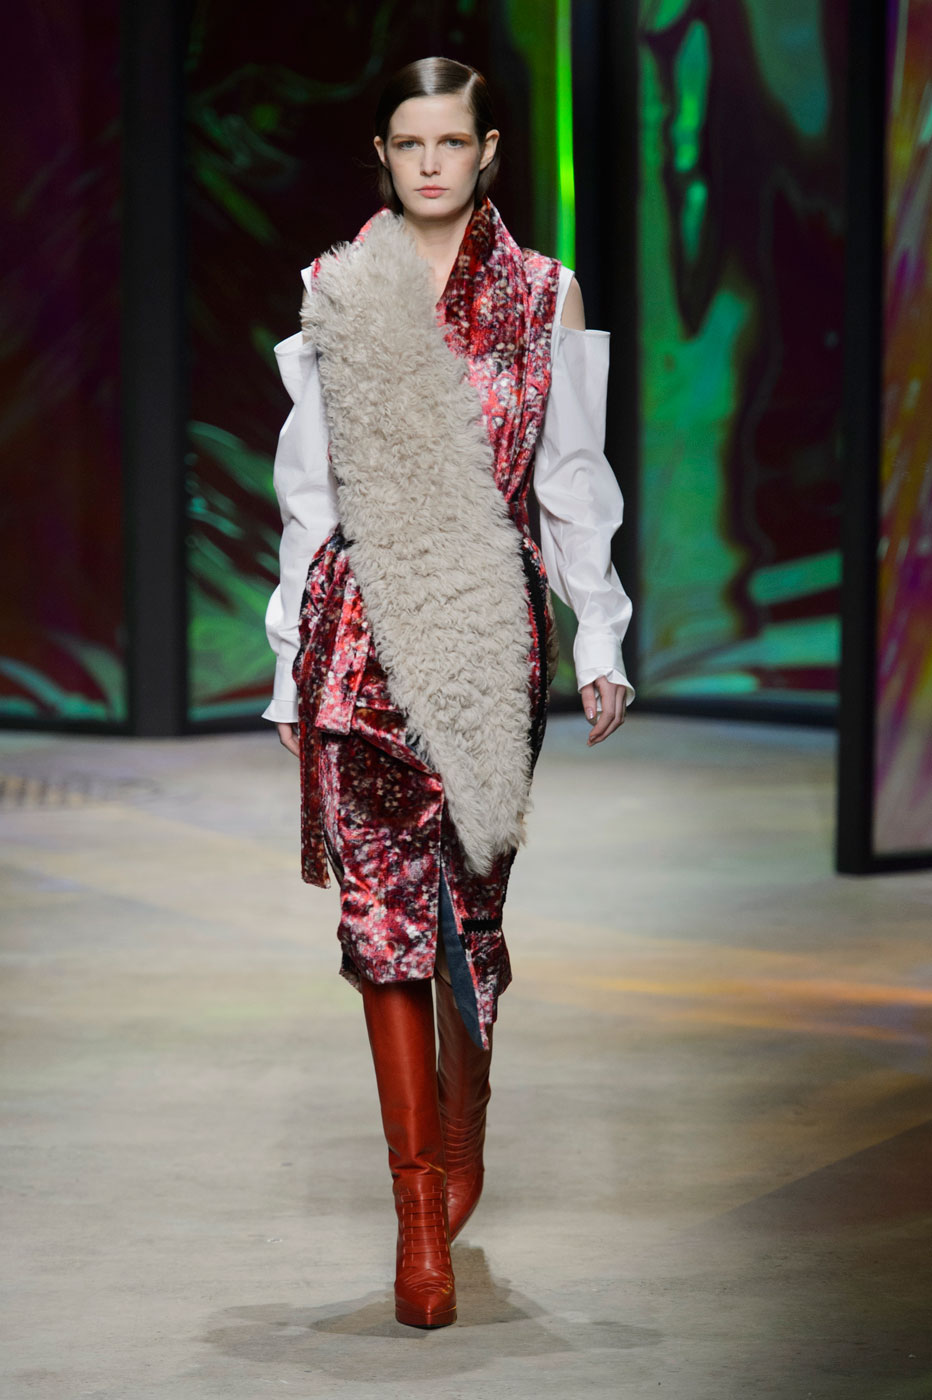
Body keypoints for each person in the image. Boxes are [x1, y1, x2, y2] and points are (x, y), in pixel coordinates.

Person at [262, 57, 633, 1330]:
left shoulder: (541, 292)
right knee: (380, 926)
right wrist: (287, 662)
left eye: (452, 142)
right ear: (381, 153)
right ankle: (417, 1208)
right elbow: (308, 495)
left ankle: (463, 1130)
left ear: (488, 152)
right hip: (359, 640)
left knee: (465, 917)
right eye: (409, 142)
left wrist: (600, 636)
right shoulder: (335, 288)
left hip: (485, 642)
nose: (431, 163)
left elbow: (570, 479)